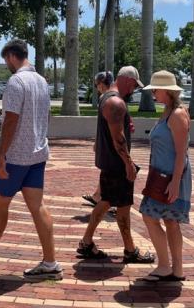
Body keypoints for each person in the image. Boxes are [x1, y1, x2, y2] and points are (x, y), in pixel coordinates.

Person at [0, 39, 61, 280]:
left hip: (16, 156)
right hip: (37, 154)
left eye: (6, 60)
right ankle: (50, 263)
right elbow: (46, 116)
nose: (7, 64)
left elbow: (11, 120)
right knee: (38, 206)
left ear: (12, 57)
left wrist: (2, 155)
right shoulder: (42, 81)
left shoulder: (17, 81)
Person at [76, 66, 154, 264]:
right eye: (134, 85)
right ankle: (130, 250)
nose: (134, 89)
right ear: (126, 80)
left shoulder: (107, 98)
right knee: (124, 208)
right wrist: (129, 164)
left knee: (104, 202)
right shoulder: (115, 102)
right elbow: (118, 138)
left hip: (109, 164)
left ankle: (86, 243)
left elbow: (113, 129)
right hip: (117, 165)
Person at [138, 71, 192, 282]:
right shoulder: (168, 111)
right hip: (162, 175)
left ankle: (165, 266)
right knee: (170, 221)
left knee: (150, 216)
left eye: (156, 90)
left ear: (167, 91)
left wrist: (175, 182)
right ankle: (175, 269)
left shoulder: (177, 114)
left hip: (170, 177)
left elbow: (181, 152)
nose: (153, 94)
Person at [81, 71, 113, 208]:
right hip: (107, 141)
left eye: (96, 85)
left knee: (109, 171)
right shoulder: (110, 98)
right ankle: (97, 195)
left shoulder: (107, 98)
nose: (96, 88)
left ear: (101, 84)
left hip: (110, 142)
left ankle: (110, 201)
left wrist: (99, 141)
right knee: (107, 170)